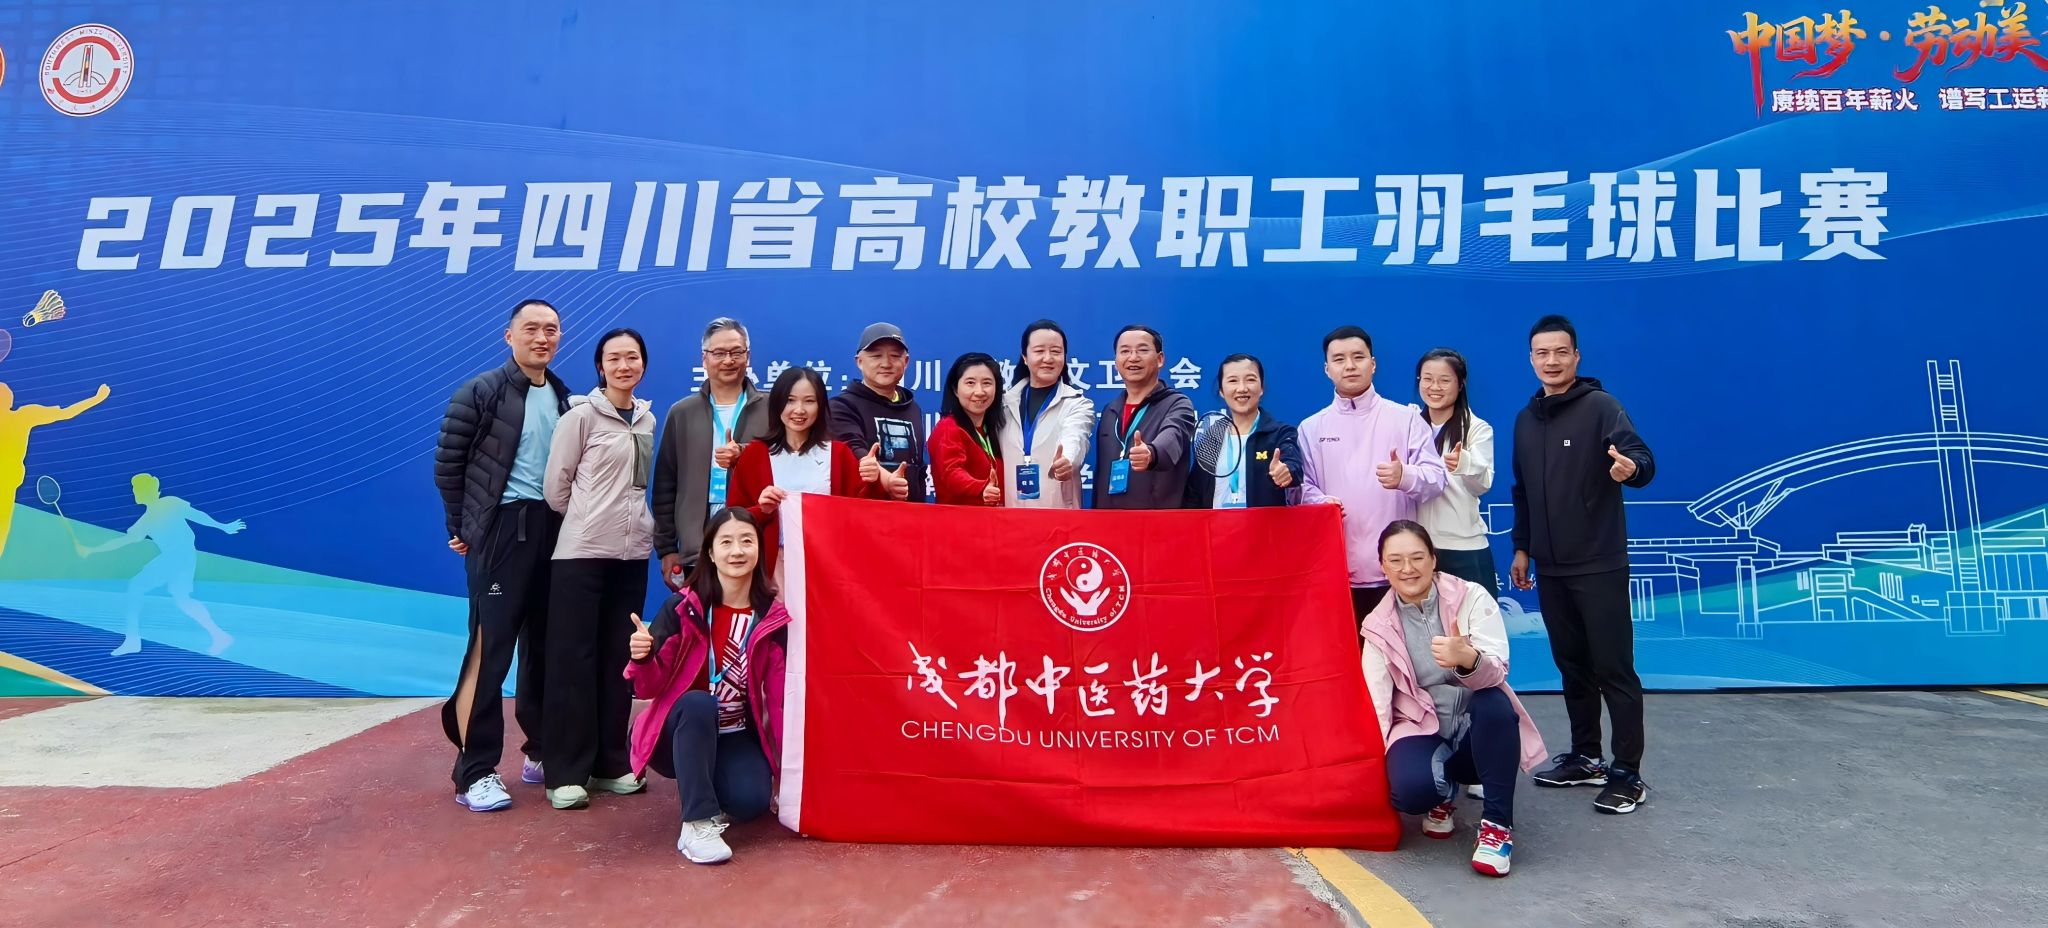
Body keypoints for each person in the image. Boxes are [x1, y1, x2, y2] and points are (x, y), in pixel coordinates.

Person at [1510, 314, 1656, 815]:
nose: (1551, 361)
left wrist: (1630, 469)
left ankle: (1627, 772)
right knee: (1572, 666)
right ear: (1531, 359)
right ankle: (1586, 757)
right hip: (1550, 567)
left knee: (1613, 668)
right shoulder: (1526, 420)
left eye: (1560, 352)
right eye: (1542, 353)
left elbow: (1641, 458)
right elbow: (1522, 492)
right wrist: (1523, 547)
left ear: (1576, 356)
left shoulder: (1602, 407)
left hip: (1598, 562)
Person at [434, 298, 570, 812]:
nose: (542, 337)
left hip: (551, 530)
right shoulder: (481, 391)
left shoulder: (563, 395)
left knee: (544, 648)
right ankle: (474, 771)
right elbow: (448, 465)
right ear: (509, 336)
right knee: (490, 651)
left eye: (551, 329)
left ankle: (540, 752)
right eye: (531, 328)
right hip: (500, 533)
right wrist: (463, 526)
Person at [1362, 521, 1547, 878]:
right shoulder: (1377, 626)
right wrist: (1373, 778)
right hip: (1421, 727)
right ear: (1382, 566)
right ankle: (1442, 791)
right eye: (1395, 560)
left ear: (1434, 559)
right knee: (1409, 792)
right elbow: (1378, 705)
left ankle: (1497, 826)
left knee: (1496, 705)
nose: (1407, 568)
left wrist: (1468, 659)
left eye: (1417, 557)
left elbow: (1497, 671)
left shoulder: (1471, 597)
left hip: (1474, 727)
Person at [626, 507, 790, 865]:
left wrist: (787, 773)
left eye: (746, 541)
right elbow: (648, 688)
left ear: (758, 550)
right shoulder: (683, 608)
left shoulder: (772, 618)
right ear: (711, 553)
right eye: (726, 542)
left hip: (734, 734)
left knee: (750, 802)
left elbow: (779, 700)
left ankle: (707, 783)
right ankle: (696, 823)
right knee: (699, 703)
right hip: (676, 731)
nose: (737, 551)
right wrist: (642, 657)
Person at [538, 328, 656, 811]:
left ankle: (610, 764)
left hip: (632, 556)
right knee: (573, 661)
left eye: (633, 357)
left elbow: (639, 484)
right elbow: (555, 488)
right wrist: (590, 520)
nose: (624, 366)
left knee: (617, 661)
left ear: (643, 364)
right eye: (614, 358)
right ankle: (566, 772)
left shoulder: (647, 419)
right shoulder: (580, 416)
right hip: (582, 554)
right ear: (600, 367)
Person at [1298, 326, 1448, 620]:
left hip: (1400, 571)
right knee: (1348, 648)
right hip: (1337, 572)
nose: (1350, 366)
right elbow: (1301, 488)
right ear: (1327, 369)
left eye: (1358, 357)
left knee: (1404, 650)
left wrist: (1405, 476)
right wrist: (1320, 503)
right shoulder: (1311, 428)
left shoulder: (1406, 419)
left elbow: (1437, 479)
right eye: (1339, 359)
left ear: (1373, 363)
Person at [728, 366, 888, 583]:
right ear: (777, 404)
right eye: (790, 400)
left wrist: (873, 481)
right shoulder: (755, 455)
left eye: (809, 401)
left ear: (821, 406)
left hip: (827, 567)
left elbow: (863, 516)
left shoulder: (838, 453)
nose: (799, 410)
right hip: (772, 570)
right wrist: (761, 510)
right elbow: (733, 520)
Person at [652, 317, 772, 592]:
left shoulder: (771, 408)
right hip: (697, 544)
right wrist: (668, 549)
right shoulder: (682, 412)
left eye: (736, 352)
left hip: (754, 539)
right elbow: (665, 486)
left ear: (748, 357)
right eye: (719, 353)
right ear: (704, 359)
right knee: (700, 615)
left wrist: (744, 453)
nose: (728, 360)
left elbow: (785, 461)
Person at [82, 474, 245, 657]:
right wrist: (92, 550)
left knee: (136, 588)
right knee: (181, 599)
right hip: (181, 557)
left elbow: (196, 515)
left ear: (146, 490)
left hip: (178, 557)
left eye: (136, 489)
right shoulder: (146, 519)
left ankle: (133, 641)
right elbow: (125, 540)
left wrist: (222, 526)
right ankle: (220, 636)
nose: (134, 492)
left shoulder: (169, 503)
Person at [1414, 348, 1500, 599]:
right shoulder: (1410, 425)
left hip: (1464, 548)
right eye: (1427, 379)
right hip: (1418, 548)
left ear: (1460, 384)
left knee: (1473, 622)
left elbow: (1482, 485)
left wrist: (1465, 464)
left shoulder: (1477, 429)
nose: (1434, 387)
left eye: (1444, 380)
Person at [1090, 325, 1196, 510]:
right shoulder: (1110, 411)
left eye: (1142, 350)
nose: (1133, 357)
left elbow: (1172, 438)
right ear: (1116, 362)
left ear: (1160, 359)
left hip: (1157, 521)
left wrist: (1152, 453)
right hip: (1109, 521)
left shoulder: (1177, 404)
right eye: (1125, 351)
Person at [0, 381, 109, 558]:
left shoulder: (23, 416)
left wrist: (97, 398)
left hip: (7, 481)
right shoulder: (24, 416)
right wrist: (97, 398)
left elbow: (65, 413)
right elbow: (66, 413)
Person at [1182, 354, 1303, 509]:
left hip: (1263, 524)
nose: (1242, 388)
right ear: (1221, 390)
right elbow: (1194, 493)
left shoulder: (1280, 433)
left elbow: (1294, 467)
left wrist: (1286, 472)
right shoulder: (1211, 437)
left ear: (1261, 388)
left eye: (1250, 379)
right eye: (1233, 381)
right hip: (1217, 524)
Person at [997, 320, 1093, 509]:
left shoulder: (1077, 403)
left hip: (1058, 515)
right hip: (1010, 515)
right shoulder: (1003, 404)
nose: (1048, 358)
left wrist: (1067, 460)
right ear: (1025, 357)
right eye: (1039, 351)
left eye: (1056, 352)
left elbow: (1076, 436)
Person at [829, 322, 923, 503]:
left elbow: (918, 467)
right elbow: (854, 452)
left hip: (911, 513)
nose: (886, 363)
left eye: (895, 356)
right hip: (862, 511)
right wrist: (888, 482)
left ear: (906, 362)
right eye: (876, 356)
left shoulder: (913, 408)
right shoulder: (841, 406)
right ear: (859, 361)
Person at [928, 353, 1008, 507]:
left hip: (995, 519)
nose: (979, 391)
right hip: (959, 520)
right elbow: (952, 472)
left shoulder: (995, 430)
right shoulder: (948, 427)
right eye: (970, 383)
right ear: (955, 389)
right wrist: (981, 488)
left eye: (987, 383)